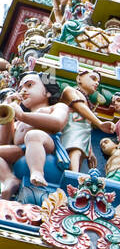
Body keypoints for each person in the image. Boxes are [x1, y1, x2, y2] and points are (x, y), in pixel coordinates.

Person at [0, 72, 69, 200]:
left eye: (29, 85)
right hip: (21, 151)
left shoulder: (56, 107)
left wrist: (22, 116)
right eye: (20, 89)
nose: (23, 91)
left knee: (33, 135)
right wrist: (8, 114)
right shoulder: (18, 122)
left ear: (47, 92)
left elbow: (58, 123)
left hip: (44, 144)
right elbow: (3, 143)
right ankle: (9, 179)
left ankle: (37, 172)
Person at [60, 69, 112, 174]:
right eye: (93, 78)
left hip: (82, 131)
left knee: (80, 155)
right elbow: (79, 106)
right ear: (79, 79)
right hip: (72, 125)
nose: (96, 83)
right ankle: (73, 174)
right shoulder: (70, 90)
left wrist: (90, 151)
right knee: (76, 150)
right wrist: (99, 123)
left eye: (98, 81)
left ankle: (75, 174)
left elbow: (87, 127)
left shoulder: (87, 101)